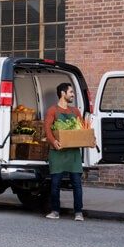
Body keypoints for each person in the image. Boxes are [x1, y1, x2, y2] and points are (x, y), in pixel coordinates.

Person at [44, 83, 84, 221]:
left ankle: (78, 212)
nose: (73, 94)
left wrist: (92, 140)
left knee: (77, 184)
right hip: (58, 152)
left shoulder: (76, 112)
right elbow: (47, 130)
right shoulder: (52, 111)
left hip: (73, 153)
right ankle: (55, 211)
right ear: (63, 93)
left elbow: (83, 130)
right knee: (55, 183)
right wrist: (54, 142)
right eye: (71, 92)